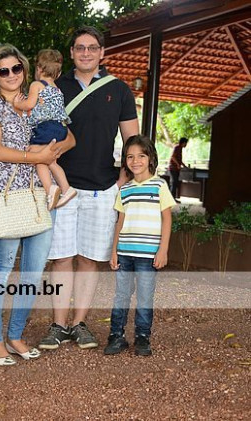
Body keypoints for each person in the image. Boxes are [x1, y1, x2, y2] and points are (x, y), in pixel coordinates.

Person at [39, 26, 139, 351]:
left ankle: (79, 323)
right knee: (61, 258)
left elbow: (133, 141)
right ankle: (58, 324)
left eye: (92, 47)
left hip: (102, 187)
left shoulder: (119, 90)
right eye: (80, 47)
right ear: (71, 53)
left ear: (102, 52)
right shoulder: (56, 86)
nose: (86, 53)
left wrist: (122, 180)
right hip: (61, 186)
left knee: (88, 259)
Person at [0, 44, 72, 366]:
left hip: (41, 197)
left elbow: (70, 137)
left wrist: (52, 150)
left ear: (25, 70)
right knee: (2, 270)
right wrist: (38, 156)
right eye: (3, 70)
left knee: (33, 273)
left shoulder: (38, 98)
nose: (11, 75)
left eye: (16, 68)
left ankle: (15, 335)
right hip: (8, 196)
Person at [105, 135, 176, 356]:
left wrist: (163, 249)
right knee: (121, 296)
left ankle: (142, 338)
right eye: (130, 157)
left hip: (148, 255)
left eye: (141, 156)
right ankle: (116, 336)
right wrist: (114, 251)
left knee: (144, 297)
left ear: (151, 158)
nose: (135, 161)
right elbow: (120, 222)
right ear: (125, 161)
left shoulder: (159, 186)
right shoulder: (125, 190)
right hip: (124, 253)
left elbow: (167, 219)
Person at [13, 48, 77, 210]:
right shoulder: (57, 89)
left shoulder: (37, 85)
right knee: (51, 161)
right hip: (60, 128)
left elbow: (29, 104)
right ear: (58, 73)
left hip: (46, 127)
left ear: (39, 69)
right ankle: (66, 188)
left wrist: (18, 104)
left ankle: (50, 189)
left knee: (38, 157)